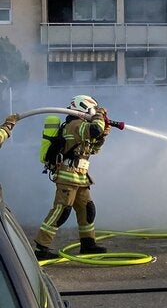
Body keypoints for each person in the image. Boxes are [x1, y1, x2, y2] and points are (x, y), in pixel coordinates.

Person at [33, 95, 111, 262]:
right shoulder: (75, 125)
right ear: (83, 108)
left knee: (87, 210)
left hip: (81, 178)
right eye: (92, 110)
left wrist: (102, 136)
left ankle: (88, 244)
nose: (94, 113)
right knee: (61, 211)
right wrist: (99, 116)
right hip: (68, 177)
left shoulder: (82, 126)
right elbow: (94, 130)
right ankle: (41, 247)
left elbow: (94, 148)